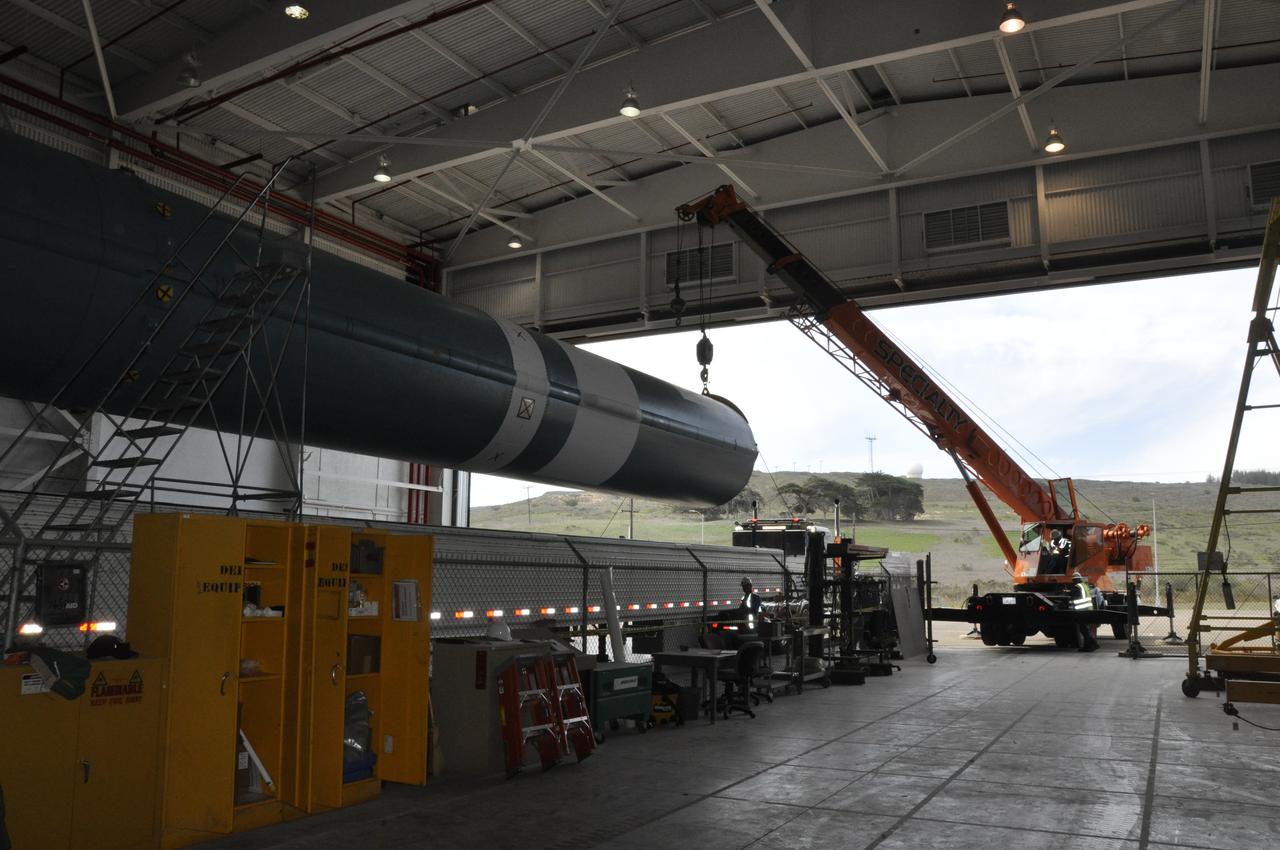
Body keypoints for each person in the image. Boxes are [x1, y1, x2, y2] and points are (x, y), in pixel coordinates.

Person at [1070, 572, 1099, 652]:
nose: (1074, 582)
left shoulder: (1077, 586)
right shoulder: (1085, 586)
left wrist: (1066, 592)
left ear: (1076, 580)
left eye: (1074, 580)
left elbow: (1072, 595)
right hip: (1088, 610)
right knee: (1085, 629)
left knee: (1083, 629)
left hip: (1082, 610)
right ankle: (1093, 644)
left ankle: (1089, 646)